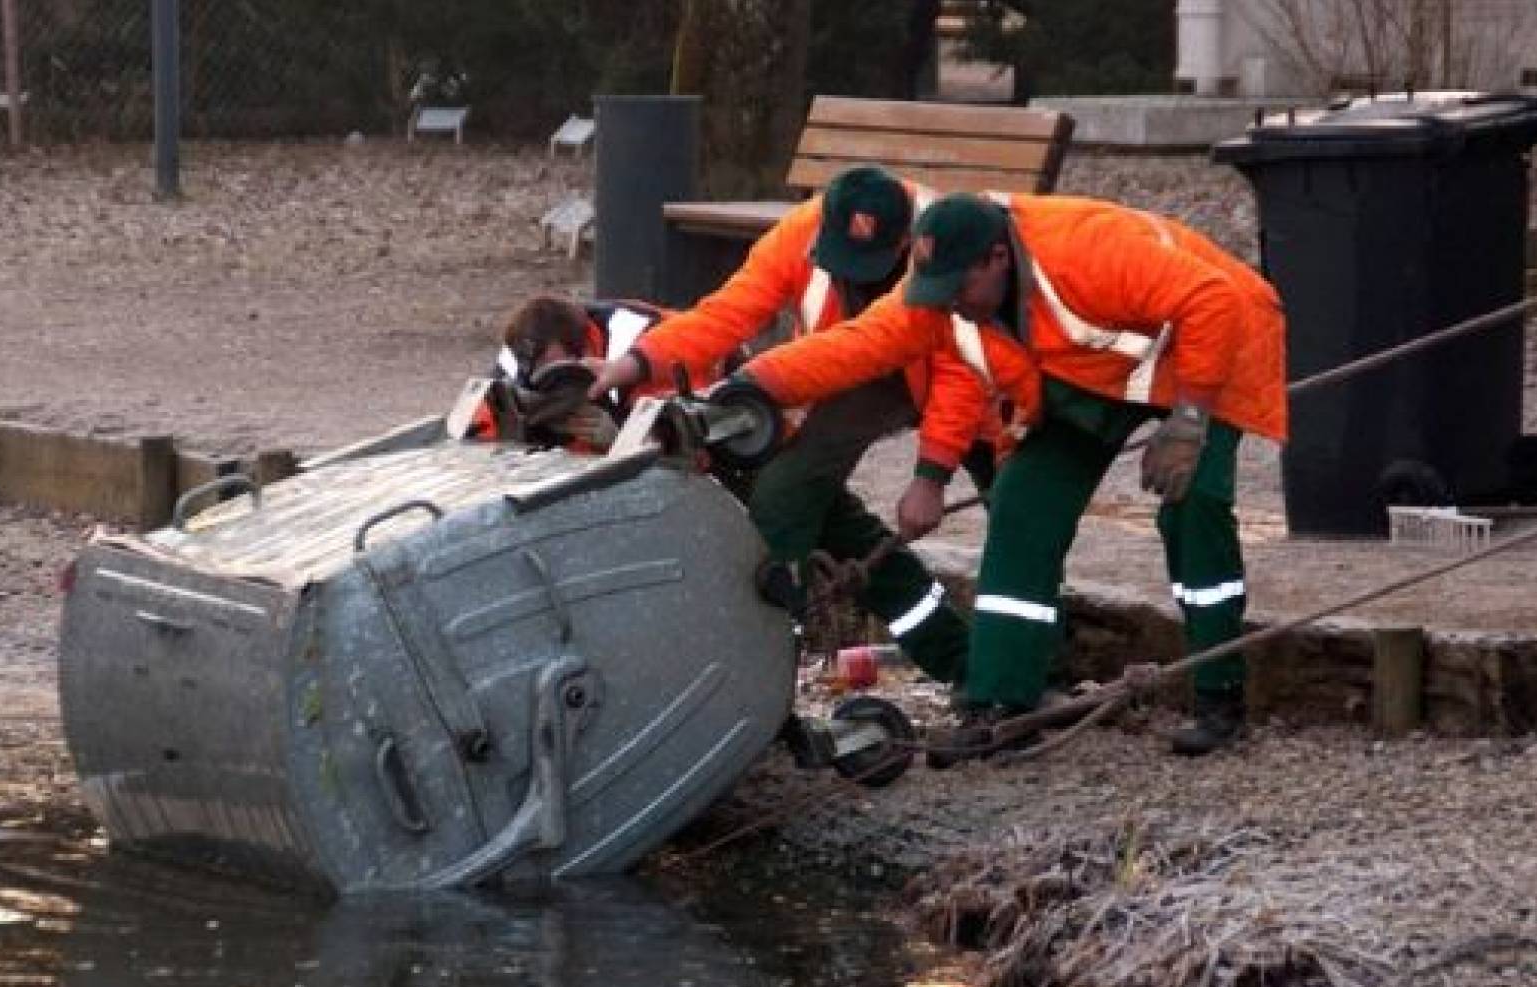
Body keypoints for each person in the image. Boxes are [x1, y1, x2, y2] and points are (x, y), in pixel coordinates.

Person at [709, 191, 1288, 758]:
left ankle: (1220, 693)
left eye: (960, 289)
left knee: (1194, 506)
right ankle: (1003, 701)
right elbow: (855, 347)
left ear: (997, 259)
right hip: (1099, 375)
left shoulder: (1086, 251)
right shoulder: (948, 294)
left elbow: (1211, 299)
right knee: (1020, 504)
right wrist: (749, 388)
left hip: (1212, 350)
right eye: (939, 291)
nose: (951, 305)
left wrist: (1187, 422)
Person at [589, 166, 995, 686]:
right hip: (851, 370)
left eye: (872, 266)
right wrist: (637, 363)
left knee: (1015, 521)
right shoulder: (797, 236)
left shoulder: (948, 251)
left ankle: (1013, 672)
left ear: (905, 243)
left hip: (978, 389)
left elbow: (964, 371)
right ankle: (945, 662)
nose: (856, 277)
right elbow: (726, 314)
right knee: (792, 495)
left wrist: (932, 475)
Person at [470, 295, 678, 451]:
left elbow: (682, 448)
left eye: (559, 371)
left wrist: (621, 440)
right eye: (543, 374)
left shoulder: (643, 345)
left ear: (585, 349)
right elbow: (477, 434)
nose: (552, 383)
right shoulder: (517, 355)